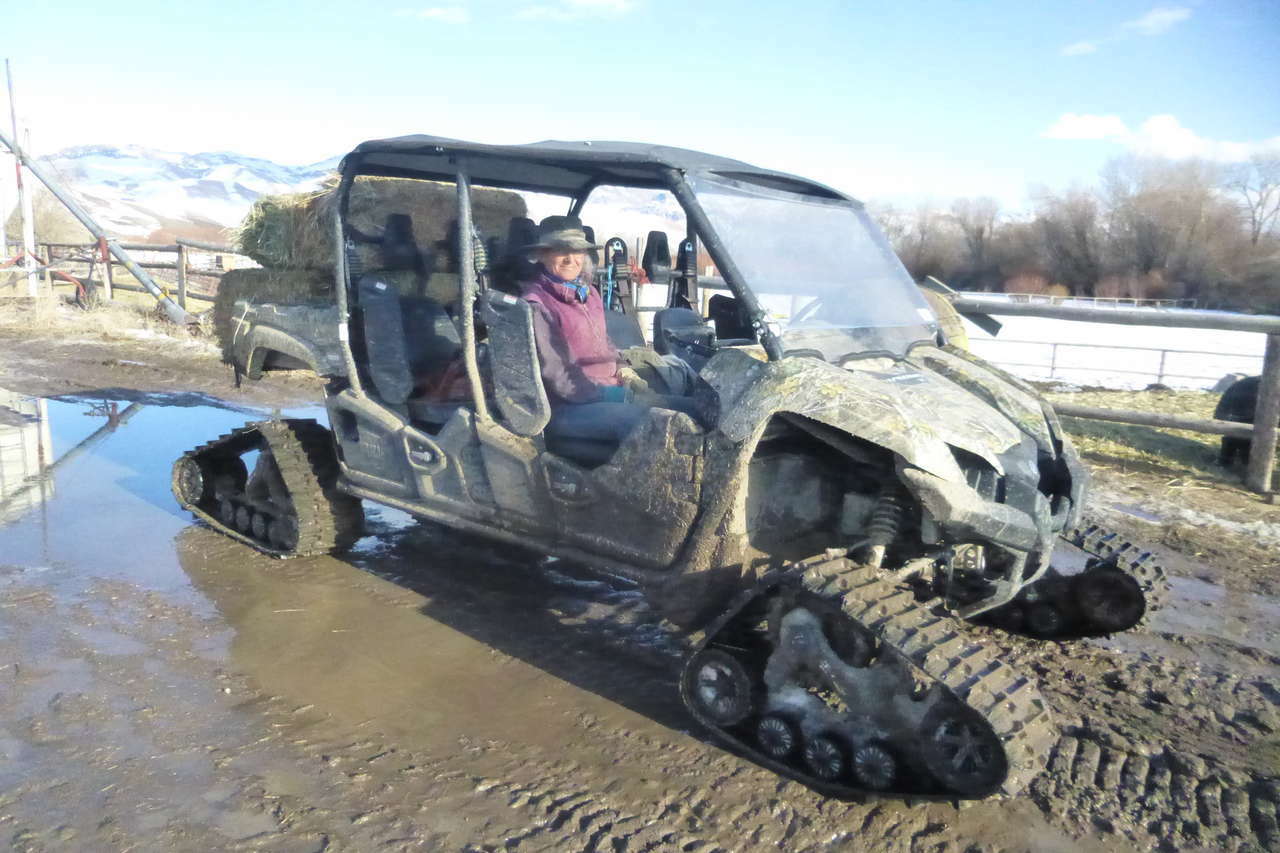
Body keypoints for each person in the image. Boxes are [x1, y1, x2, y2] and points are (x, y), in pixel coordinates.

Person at [520, 216, 702, 444]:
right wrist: (612, 395)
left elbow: (602, 342)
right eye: (560, 250)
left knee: (693, 409)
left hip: (607, 390)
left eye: (577, 251)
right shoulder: (537, 305)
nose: (570, 259)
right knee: (651, 424)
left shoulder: (588, 293)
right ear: (542, 254)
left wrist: (625, 371)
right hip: (567, 406)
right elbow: (559, 376)